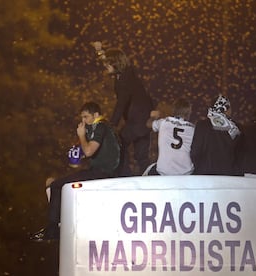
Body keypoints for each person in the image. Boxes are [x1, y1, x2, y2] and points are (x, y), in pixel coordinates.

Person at [30, 102, 120, 242]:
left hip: (101, 172)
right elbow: (83, 157)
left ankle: (53, 228)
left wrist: (81, 136)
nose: (83, 121)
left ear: (96, 115)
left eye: (86, 117)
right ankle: (60, 220)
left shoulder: (100, 126)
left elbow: (89, 151)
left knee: (56, 186)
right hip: (99, 171)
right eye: (82, 117)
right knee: (54, 183)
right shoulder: (102, 128)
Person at [93, 42, 153, 176]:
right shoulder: (125, 73)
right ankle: (149, 176)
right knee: (141, 156)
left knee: (119, 141)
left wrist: (112, 124)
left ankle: (124, 173)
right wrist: (100, 52)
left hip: (138, 121)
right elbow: (110, 59)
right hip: (143, 120)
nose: (105, 66)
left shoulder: (125, 79)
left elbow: (121, 104)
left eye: (108, 64)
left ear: (115, 63)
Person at [190, 95, 242, 175]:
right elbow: (240, 156)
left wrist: (201, 167)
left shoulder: (202, 125)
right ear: (225, 109)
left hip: (205, 175)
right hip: (229, 177)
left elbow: (195, 152)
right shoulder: (236, 128)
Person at [145, 98, 195, 175]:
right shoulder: (192, 129)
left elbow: (148, 124)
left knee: (148, 171)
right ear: (188, 112)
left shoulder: (163, 122)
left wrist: (153, 116)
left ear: (173, 110)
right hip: (186, 173)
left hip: (164, 171)